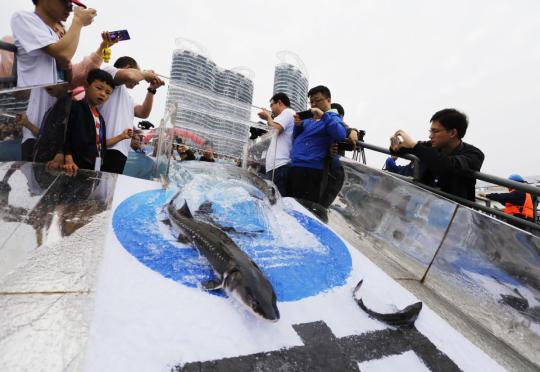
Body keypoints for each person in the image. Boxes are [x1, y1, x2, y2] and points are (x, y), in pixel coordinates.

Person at [11, 0, 96, 160]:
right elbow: (63, 53)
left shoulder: (52, 40)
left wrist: (68, 68)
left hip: (55, 131)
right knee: (31, 182)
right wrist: (77, 22)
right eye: (65, 2)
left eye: (71, 5)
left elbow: (64, 85)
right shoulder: (23, 18)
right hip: (35, 129)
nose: (70, 8)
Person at [390, 108, 484, 201]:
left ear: (452, 133)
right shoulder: (431, 146)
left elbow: (446, 165)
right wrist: (396, 147)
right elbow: (404, 149)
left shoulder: (474, 155)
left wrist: (414, 145)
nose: (430, 136)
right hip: (427, 206)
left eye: (435, 131)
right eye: (430, 131)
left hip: (457, 211)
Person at [99, 56, 164, 174]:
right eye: (138, 75)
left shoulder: (127, 96)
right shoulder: (109, 72)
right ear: (128, 67)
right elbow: (130, 76)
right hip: (105, 147)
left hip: (120, 151)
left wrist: (151, 90)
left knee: (106, 190)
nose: (138, 82)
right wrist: (145, 74)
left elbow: (143, 113)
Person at [288, 85, 347, 203]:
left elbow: (340, 134)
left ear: (329, 100)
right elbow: (296, 138)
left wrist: (323, 115)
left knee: (306, 208)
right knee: (291, 205)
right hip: (295, 166)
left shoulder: (332, 117)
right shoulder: (309, 119)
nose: (314, 104)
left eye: (317, 100)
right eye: (311, 102)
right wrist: (298, 125)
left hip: (311, 170)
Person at [63, 68, 118, 171]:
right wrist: (68, 156)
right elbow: (66, 133)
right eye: (99, 88)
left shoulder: (101, 119)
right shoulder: (75, 107)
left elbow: (101, 144)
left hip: (94, 166)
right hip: (74, 164)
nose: (103, 94)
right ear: (86, 85)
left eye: (108, 92)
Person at [319, 103, 359, 208]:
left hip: (333, 170)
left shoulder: (337, 125)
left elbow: (348, 132)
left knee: (323, 203)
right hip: (323, 168)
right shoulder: (324, 123)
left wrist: (353, 131)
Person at [257, 92, 295, 196]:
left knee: (277, 201)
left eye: (271, 105)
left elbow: (277, 129)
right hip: (275, 167)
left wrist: (268, 117)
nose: (271, 108)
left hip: (280, 165)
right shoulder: (283, 116)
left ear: (279, 103)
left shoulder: (288, 112)